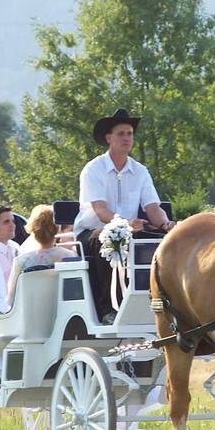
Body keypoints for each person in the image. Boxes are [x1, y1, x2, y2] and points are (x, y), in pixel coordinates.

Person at [74, 108, 176, 323]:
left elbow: (153, 208)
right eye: (121, 133)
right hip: (91, 233)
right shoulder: (93, 169)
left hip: (129, 231)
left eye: (130, 134)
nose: (127, 138)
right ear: (109, 138)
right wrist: (127, 223)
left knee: (166, 243)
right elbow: (100, 211)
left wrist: (167, 225)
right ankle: (108, 310)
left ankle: (161, 303)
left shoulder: (140, 171)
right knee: (112, 238)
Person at [7, 205, 74, 307]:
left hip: (30, 312)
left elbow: (11, 298)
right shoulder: (69, 257)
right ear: (57, 229)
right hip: (62, 310)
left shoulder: (21, 261)